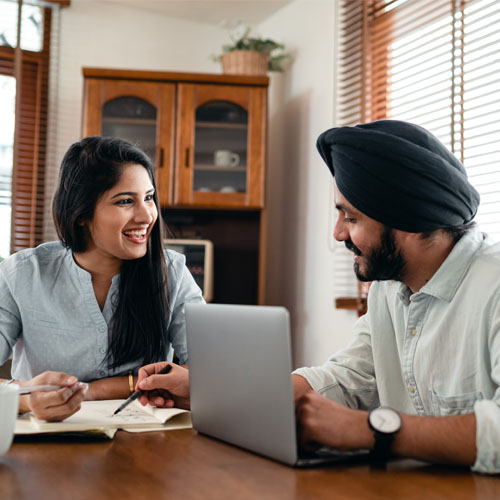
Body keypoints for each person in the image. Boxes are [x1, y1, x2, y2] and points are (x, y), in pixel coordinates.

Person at [136, 120, 500, 474]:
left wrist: (370, 430)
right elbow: (345, 378)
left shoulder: (493, 285)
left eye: (351, 218)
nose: (338, 232)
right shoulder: (389, 289)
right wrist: (211, 392)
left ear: (407, 220)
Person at [0, 136, 203, 421]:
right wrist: (27, 399)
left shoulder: (172, 272)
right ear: (81, 213)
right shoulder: (22, 273)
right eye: (125, 201)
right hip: (42, 440)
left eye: (148, 198)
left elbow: (210, 373)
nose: (147, 215)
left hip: (146, 444)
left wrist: (96, 391)